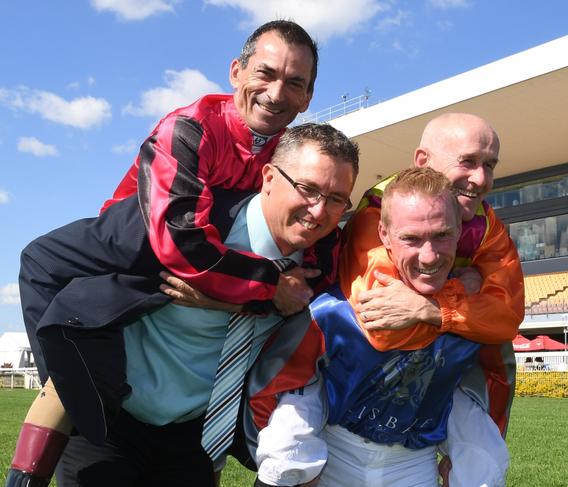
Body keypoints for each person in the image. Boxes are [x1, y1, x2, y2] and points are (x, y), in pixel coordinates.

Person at [6, 20, 329, 487]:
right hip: (138, 236)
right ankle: (61, 409)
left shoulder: (291, 153)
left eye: (294, 83)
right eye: (266, 73)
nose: (277, 93)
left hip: (200, 240)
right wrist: (266, 288)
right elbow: (180, 246)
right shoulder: (188, 126)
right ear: (236, 71)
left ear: (308, 98)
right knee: (43, 264)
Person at [242, 168, 508, 486]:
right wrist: (284, 462)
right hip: (334, 457)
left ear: (458, 231)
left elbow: (491, 386)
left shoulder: (475, 316)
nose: (429, 256)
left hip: (413, 463)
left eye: (442, 235)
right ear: (383, 234)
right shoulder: (333, 312)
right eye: (411, 238)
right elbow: (278, 386)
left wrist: (470, 460)